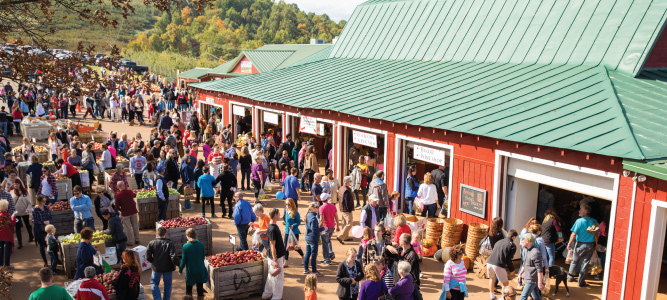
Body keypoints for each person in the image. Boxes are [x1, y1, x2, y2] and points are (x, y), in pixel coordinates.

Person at [567, 204, 597, 287]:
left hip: (580, 244)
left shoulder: (579, 221)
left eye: (581, 210)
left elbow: (573, 234)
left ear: (585, 212)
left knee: (574, 261)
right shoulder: (594, 221)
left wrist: (569, 243)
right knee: (585, 263)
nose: (579, 211)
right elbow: (595, 235)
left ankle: (570, 277)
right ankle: (581, 282)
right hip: (590, 245)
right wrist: (596, 245)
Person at [147, 226, 179, 300]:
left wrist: (153, 261)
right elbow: (173, 256)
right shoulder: (170, 243)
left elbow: (148, 256)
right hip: (168, 267)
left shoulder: (152, 243)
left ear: (157, 234)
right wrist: (178, 264)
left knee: (154, 283)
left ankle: (157, 298)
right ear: (165, 234)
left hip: (156, 267)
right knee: (168, 285)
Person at [386, 233, 421, 299]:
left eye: (399, 239)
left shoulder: (412, 256)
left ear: (403, 242)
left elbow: (415, 274)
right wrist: (387, 247)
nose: (398, 240)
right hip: (396, 282)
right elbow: (386, 254)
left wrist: (417, 290)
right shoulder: (399, 250)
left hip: (405, 286)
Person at [487, 229, 518, 300]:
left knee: (492, 279)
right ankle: (503, 298)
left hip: (489, 262)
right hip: (498, 264)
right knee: (505, 283)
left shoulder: (499, 241)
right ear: (513, 237)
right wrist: (512, 269)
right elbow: (509, 260)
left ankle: (492, 296)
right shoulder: (512, 245)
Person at [262, 208, 285, 300]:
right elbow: (272, 245)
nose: (280, 215)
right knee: (278, 279)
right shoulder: (272, 229)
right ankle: (276, 297)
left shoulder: (272, 226)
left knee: (271, 276)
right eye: (279, 214)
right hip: (275, 258)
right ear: (275, 215)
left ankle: (266, 294)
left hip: (275, 256)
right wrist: (275, 260)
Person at [179, 229, 208, 298]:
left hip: (190, 271)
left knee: (189, 290)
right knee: (200, 290)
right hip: (200, 269)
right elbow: (202, 257)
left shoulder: (186, 246)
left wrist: (180, 270)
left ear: (187, 236)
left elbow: (184, 260)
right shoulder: (201, 244)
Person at [518, 233, 544, 300]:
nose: (521, 241)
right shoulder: (526, 249)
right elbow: (525, 263)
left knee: (523, 297)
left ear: (528, 241)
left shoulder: (535, 252)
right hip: (528, 278)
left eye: (523, 239)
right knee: (536, 297)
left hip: (532, 280)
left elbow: (540, 270)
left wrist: (540, 283)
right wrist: (520, 274)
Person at [303, 202, 325, 276]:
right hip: (313, 238)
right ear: (313, 208)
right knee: (313, 255)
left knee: (307, 253)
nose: (318, 208)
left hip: (308, 237)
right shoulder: (313, 218)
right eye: (317, 207)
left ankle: (306, 269)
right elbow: (314, 230)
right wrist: (323, 228)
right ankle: (314, 271)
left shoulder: (308, 215)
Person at [283, 198, 304, 267]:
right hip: (287, 232)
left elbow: (298, 222)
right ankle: (286, 262)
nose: (287, 206)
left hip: (294, 232)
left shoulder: (296, 213)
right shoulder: (286, 211)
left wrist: (293, 225)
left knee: (295, 247)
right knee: (286, 247)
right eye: (286, 204)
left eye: (288, 204)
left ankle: (303, 256)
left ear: (292, 204)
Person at [319, 193, 340, 265]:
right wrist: (338, 226)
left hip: (325, 228)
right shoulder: (333, 206)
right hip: (332, 227)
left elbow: (321, 220)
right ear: (327, 199)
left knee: (325, 243)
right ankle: (331, 253)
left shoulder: (321, 208)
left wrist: (319, 229)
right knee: (328, 240)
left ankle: (326, 259)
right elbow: (336, 217)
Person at [12, 179, 32, 249]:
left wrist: (27, 210)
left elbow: (29, 203)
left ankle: (31, 235)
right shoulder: (12, 192)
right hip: (16, 213)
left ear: (20, 184)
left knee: (27, 225)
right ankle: (20, 242)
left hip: (24, 212)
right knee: (17, 227)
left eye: (17, 184)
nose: (16, 185)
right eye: (14, 184)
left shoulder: (25, 192)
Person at [32, 195, 51, 267]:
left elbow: (50, 216)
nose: (45, 202)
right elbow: (34, 220)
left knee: (49, 244)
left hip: (47, 228)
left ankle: (53, 259)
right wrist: (43, 222)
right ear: (39, 201)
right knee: (41, 246)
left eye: (45, 201)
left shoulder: (46, 207)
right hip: (39, 229)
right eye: (44, 201)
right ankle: (45, 261)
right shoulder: (35, 209)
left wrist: (49, 221)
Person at [336, 176, 354, 244]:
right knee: (349, 224)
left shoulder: (341, 188)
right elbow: (347, 201)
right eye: (350, 181)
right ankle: (340, 236)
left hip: (342, 208)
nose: (351, 183)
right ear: (347, 182)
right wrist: (349, 209)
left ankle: (345, 237)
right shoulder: (346, 190)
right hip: (346, 209)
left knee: (344, 223)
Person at [0, 199, 15, 268]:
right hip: (7, 235)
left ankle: (0, 265)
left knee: (1, 250)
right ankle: (7, 264)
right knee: (7, 251)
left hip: (0, 235)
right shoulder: (7, 216)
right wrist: (14, 217)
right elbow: (12, 224)